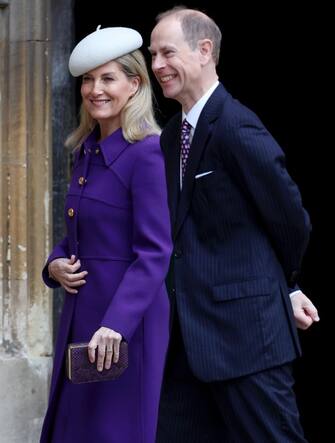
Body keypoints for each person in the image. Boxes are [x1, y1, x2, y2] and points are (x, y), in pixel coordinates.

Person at [149, 7, 320, 442]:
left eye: (167, 52)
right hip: (184, 344)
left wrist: (287, 283)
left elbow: (290, 218)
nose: (156, 66)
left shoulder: (237, 126)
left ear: (204, 50)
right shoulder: (172, 137)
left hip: (246, 339)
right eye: (153, 55)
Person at [40, 26, 172, 443]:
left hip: (124, 324)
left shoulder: (148, 152)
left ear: (134, 85)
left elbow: (155, 251)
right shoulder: (85, 151)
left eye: (108, 78)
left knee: (114, 433)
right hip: (82, 319)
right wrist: (53, 264)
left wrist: (116, 323)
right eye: (88, 79)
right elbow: (79, 233)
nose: (95, 90)